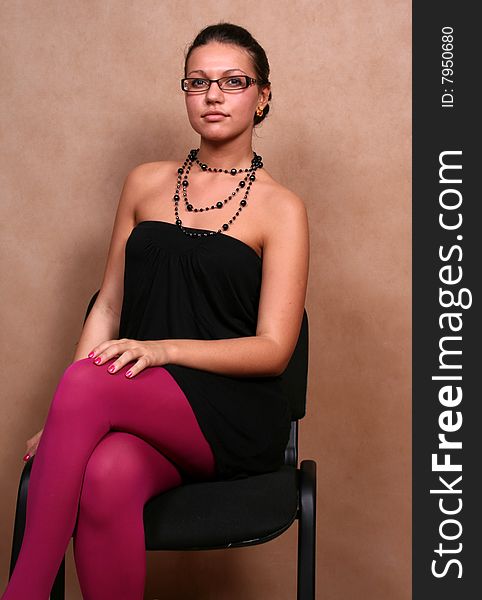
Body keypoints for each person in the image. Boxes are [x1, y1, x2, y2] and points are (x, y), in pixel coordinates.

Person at [2, 22, 309, 600]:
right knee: (105, 475)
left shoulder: (281, 208)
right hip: (137, 399)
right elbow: (110, 305)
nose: (213, 95)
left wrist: (161, 351)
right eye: (198, 82)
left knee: (92, 382)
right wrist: (71, 416)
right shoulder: (144, 183)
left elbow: (274, 350)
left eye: (233, 82)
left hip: (231, 415)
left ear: (262, 96)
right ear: (186, 92)